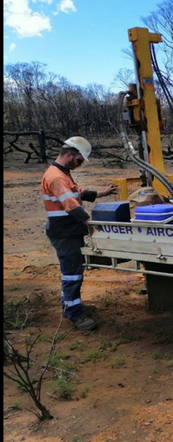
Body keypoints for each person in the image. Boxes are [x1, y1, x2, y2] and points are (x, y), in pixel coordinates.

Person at [41, 137, 117, 331]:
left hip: (67, 232)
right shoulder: (57, 177)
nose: (80, 165)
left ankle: (70, 304)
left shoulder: (61, 173)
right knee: (72, 274)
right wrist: (91, 223)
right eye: (80, 160)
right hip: (65, 233)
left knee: (73, 271)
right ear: (69, 156)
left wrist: (102, 193)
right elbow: (70, 204)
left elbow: (77, 192)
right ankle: (75, 314)